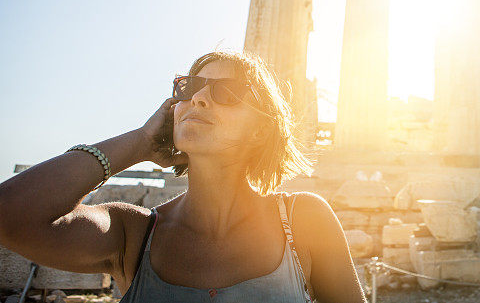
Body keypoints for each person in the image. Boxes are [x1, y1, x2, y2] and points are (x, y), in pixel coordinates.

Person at [0, 50, 367, 302]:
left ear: (260, 128)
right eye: (189, 88)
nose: (200, 99)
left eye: (226, 92)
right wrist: (140, 141)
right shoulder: (133, 233)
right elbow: (9, 215)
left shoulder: (305, 220)